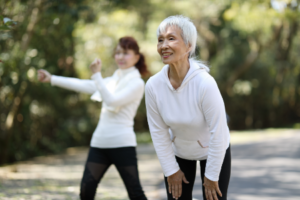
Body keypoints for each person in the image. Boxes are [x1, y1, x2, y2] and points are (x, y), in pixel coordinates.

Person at [37, 36, 148, 200]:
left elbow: (112, 101)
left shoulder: (137, 83)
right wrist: (52, 78)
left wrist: (97, 76)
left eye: (125, 53)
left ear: (137, 57)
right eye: (118, 53)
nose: (120, 57)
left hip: (122, 144)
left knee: (135, 193)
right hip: (99, 143)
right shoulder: (112, 80)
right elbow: (83, 85)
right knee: (86, 191)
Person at [145, 15, 231, 200]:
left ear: (189, 45)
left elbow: (219, 132)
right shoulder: (153, 86)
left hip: (213, 150)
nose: (163, 45)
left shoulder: (205, 83)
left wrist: (211, 175)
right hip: (180, 152)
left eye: (171, 38)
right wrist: (171, 170)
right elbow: (158, 132)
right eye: (160, 40)